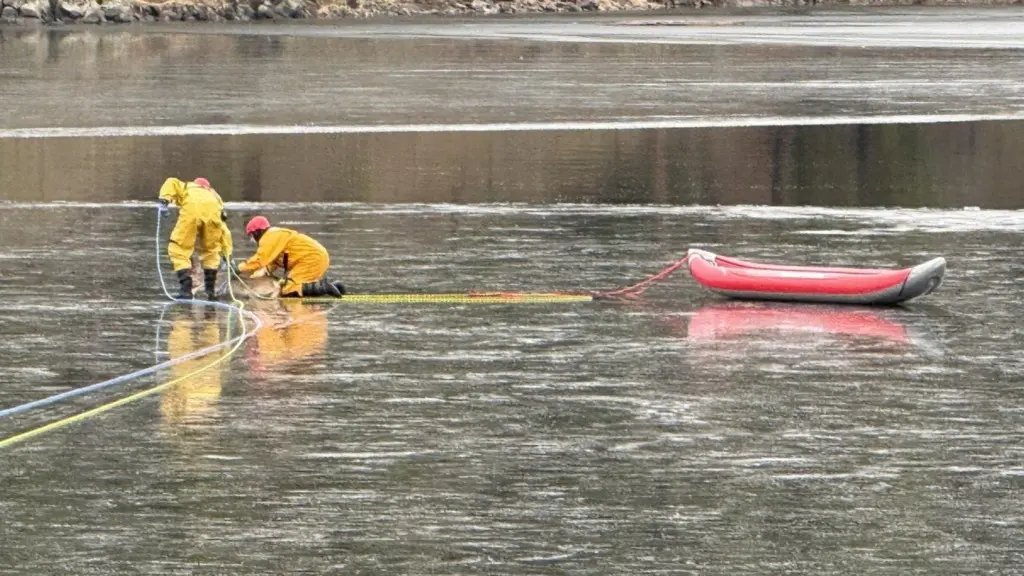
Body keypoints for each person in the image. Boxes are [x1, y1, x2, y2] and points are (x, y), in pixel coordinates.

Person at [158, 176, 233, 301]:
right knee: (211, 250)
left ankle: (186, 289)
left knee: (179, 248)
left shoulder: (188, 187)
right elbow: (224, 231)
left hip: (191, 212)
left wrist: (164, 201)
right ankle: (210, 291)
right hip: (213, 214)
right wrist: (227, 254)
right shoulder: (215, 198)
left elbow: (171, 182)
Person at [234, 216, 344, 298]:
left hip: (311, 259)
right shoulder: (275, 235)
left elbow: (260, 259)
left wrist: (239, 268)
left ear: (257, 232)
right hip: (315, 257)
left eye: (251, 235)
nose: (252, 239)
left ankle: (325, 287)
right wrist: (266, 270)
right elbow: (274, 259)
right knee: (294, 285)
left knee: (288, 289)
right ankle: (334, 286)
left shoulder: (268, 237)